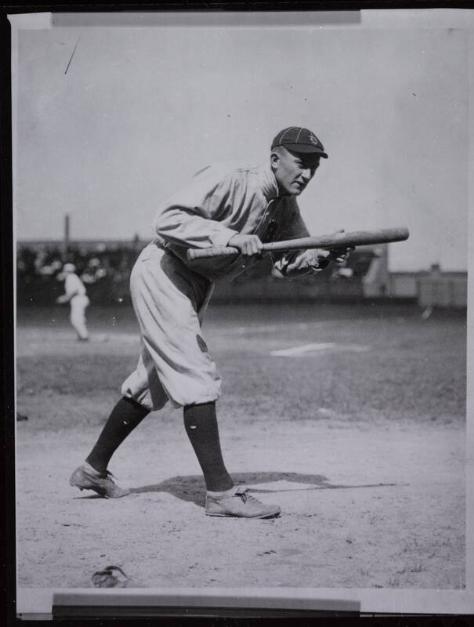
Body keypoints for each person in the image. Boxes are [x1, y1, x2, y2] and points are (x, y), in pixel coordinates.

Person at [69, 126, 350, 518]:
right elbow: (166, 218)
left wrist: (322, 254)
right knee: (196, 373)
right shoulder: (231, 177)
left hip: (198, 283)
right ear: (275, 159)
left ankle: (92, 470)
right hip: (164, 268)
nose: (306, 174)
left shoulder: (285, 206)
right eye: (301, 163)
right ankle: (220, 493)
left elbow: (288, 264)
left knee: (151, 385)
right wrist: (230, 236)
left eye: (313, 169)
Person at [56, 263, 90, 341]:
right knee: (78, 318)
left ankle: (84, 336)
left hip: (78, 299)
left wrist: (64, 298)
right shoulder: (73, 277)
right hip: (80, 298)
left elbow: (74, 291)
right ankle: (81, 335)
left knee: (75, 319)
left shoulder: (70, 277)